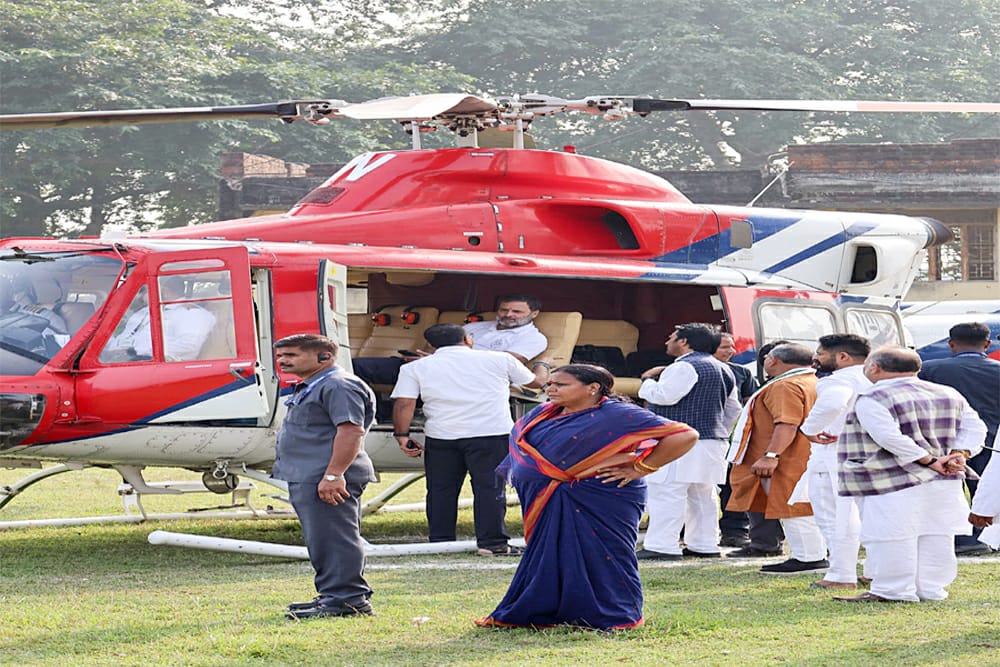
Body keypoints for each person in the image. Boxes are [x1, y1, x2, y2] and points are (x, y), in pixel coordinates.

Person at [475, 364, 698, 629]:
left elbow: (685, 435)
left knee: (605, 555)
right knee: (549, 554)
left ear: (593, 388)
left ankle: (614, 615)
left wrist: (641, 467)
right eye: (550, 384)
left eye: (561, 384)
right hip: (551, 497)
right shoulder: (542, 414)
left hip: (602, 494)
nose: (551, 388)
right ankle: (544, 611)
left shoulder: (618, 414)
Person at [833, 346, 985, 603]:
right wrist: (960, 454)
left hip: (891, 477)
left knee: (891, 535)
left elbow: (888, 437)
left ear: (875, 367)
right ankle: (930, 589)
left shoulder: (873, 396)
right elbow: (975, 427)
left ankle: (893, 590)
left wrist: (929, 460)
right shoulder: (948, 392)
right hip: (944, 478)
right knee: (937, 533)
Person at [391, 323, 550, 555]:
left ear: (431, 345)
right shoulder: (500, 359)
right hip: (491, 433)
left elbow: (404, 403)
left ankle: (441, 541)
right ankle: (492, 543)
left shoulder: (416, 367)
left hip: (442, 435)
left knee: (440, 490)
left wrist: (402, 435)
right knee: (489, 489)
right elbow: (535, 383)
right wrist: (543, 366)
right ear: (467, 339)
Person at [272, 333, 378, 619]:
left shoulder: (338, 385)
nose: (282, 360)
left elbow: (351, 430)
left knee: (335, 538)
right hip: (311, 475)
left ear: (324, 357)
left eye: (291, 355)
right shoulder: (314, 385)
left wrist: (333, 475)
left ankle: (348, 601)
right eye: (281, 355)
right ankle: (332, 595)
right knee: (323, 539)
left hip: (327, 476)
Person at [636, 323, 741, 560]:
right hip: (712, 441)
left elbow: (665, 396)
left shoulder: (683, 366)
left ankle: (662, 546)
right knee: (702, 495)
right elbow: (733, 409)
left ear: (684, 342)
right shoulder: (724, 369)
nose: (667, 342)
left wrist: (648, 381)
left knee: (667, 491)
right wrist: (716, 431)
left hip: (680, 441)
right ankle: (704, 545)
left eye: (671, 337)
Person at [726, 343, 828, 574]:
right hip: (804, 453)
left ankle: (808, 557)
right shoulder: (812, 381)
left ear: (773, 361)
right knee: (802, 504)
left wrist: (771, 455)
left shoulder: (785, 385)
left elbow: (787, 423)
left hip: (786, 456)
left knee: (791, 505)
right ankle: (813, 553)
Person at [918, 322, 1000, 556]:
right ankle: (985, 536)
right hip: (992, 441)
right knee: (986, 491)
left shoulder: (930, 369)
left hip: (942, 445)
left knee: (947, 493)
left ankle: (960, 538)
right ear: (987, 344)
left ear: (951, 344)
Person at [798, 334, 871, 589]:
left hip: (835, 451)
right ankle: (875, 569)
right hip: (869, 453)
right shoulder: (874, 377)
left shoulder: (840, 379)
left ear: (842, 357)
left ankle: (841, 574)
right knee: (869, 514)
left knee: (834, 516)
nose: (815, 358)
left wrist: (808, 428)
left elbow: (833, 403)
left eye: (819, 353)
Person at [353, 294, 549, 386]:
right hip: (431, 366)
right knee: (353, 367)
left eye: (516, 311)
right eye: (504, 310)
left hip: (469, 378)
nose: (508, 315)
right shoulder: (474, 327)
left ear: (534, 313)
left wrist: (439, 361)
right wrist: (426, 357)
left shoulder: (534, 338)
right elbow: (436, 346)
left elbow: (504, 364)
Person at [714, 332, 759, 548]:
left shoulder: (741, 373)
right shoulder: (686, 370)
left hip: (733, 439)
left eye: (732, 347)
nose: (731, 351)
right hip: (703, 438)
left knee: (733, 486)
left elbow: (749, 405)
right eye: (724, 347)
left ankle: (735, 532)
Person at [103, 277, 215, 361]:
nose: (141, 295)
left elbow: (188, 346)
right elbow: (128, 334)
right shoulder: (145, 311)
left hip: (148, 364)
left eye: (145, 290)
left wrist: (135, 351)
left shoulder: (191, 313)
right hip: (114, 358)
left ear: (165, 291)